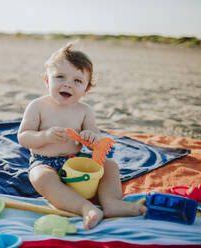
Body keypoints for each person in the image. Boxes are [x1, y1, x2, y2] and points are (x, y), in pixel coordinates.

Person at [17, 42, 147, 230]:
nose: (68, 84)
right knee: (40, 177)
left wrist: (92, 138)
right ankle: (86, 208)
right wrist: (45, 136)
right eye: (60, 77)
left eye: (77, 80)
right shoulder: (37, 106)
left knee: (110, 165)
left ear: (86, 89)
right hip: (44, 161)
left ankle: (111, 202)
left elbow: (98, 142)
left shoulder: (84, 111)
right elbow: (24, 137)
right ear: (47, 80)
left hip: (76, 162)